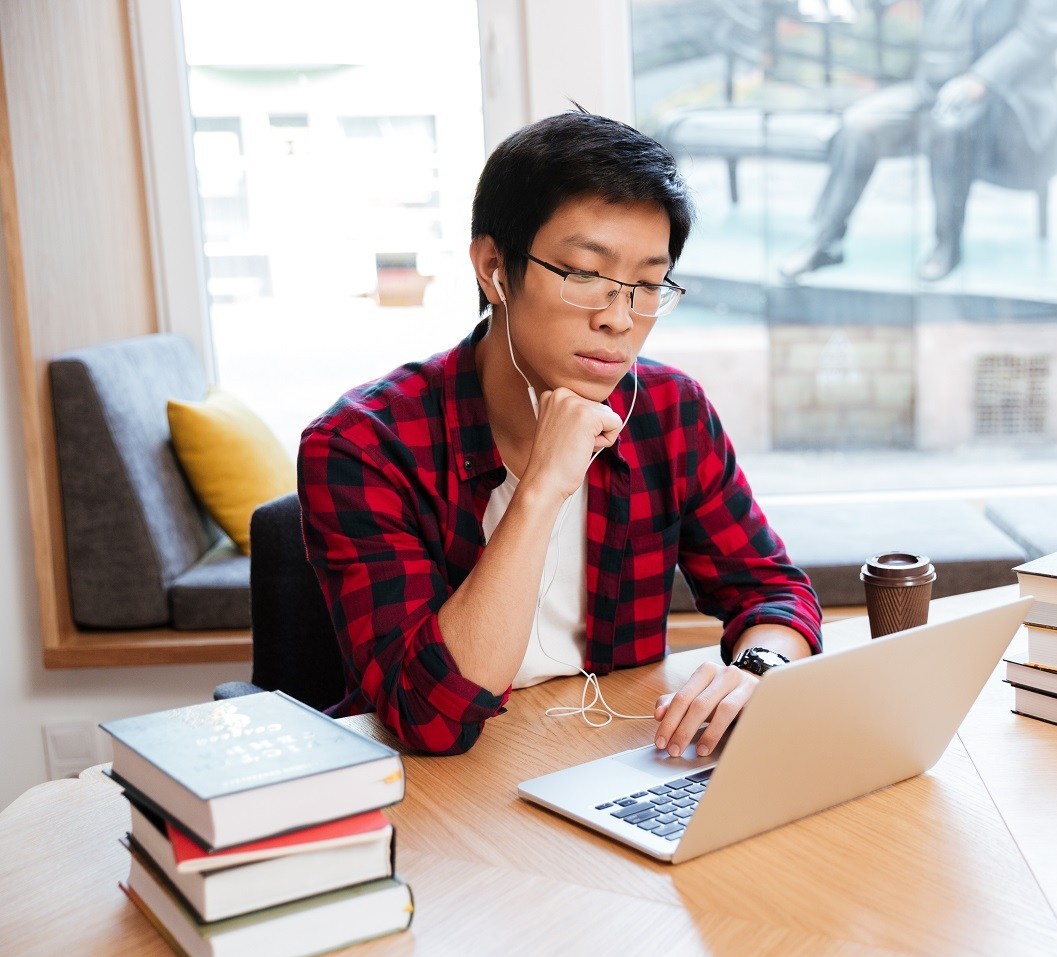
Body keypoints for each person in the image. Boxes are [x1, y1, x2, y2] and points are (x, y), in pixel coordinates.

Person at [299, 111, 823, 758]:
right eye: (583, 275)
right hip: (435, 792)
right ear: (494, 268)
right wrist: (542, 487)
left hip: (614, 756)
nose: (618, 318)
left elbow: (771, 589)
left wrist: (758, 670)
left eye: (647, 286)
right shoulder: (362, 446)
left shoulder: (669, 410)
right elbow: (429, 719)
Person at [779, 0, 1057, 283]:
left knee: (948, 128)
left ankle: (947, 245)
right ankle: (827, 240)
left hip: (1005, 95)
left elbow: (1040, 32)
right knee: (859, 125)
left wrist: (980, 80)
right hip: (928, 87)